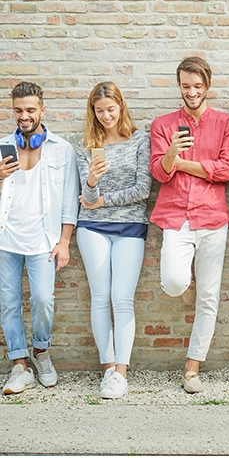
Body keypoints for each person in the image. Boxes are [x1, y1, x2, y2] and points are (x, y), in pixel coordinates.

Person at [150, 57, 229, 393]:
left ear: (207, 87)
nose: (192, 92)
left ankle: (192, 367)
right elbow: (160, 173)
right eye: (186, 86)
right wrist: (172, 153)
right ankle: (187, 283)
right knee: (173, 282)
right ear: (179, 86)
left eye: (198, 86)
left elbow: (227, 170)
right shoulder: (162, 125)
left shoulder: (227, 123)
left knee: (210, 296)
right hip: (176, 215)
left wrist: (180, 164)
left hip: (213, 218)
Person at [0, 82, 79, 395]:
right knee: (8, 303)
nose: (24, 115)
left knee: (43, 300)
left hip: (44, 240)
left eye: (30, 109)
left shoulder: (61, 149)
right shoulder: (4, 146)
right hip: (6, 237)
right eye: (18, 109)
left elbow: (70, 200)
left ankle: (41, 352)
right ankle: (19, 364)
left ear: (42, 110)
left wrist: (64, 241)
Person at [75, 82, 152, 399]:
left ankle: (121, 371)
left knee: (122, 298)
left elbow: (142, 190)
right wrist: (92, 179)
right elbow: (85, 197)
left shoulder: (139, 140)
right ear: (92, 112)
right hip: (91, 228)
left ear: (121, 106)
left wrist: (102, 200)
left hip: (130, 227)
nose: (105, 115)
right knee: (100, 295)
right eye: (99, 110)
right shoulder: (84, 145)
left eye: (110, 108)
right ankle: (108, 368)